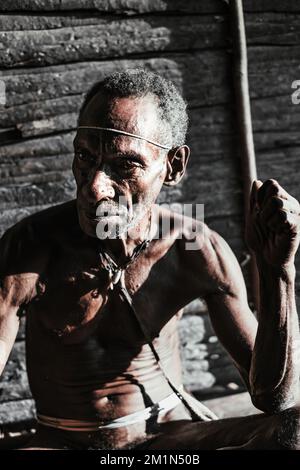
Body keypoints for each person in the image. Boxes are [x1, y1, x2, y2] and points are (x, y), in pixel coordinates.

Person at [0, 69, 300, 450]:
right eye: (85, 156)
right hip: (61, 442)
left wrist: (278, 270)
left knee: (294, 432)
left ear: (173, 166)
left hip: (166, 439)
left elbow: (275, 398)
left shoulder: (192, 247)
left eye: (125, 166)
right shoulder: (31, 247)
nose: (94, 187)